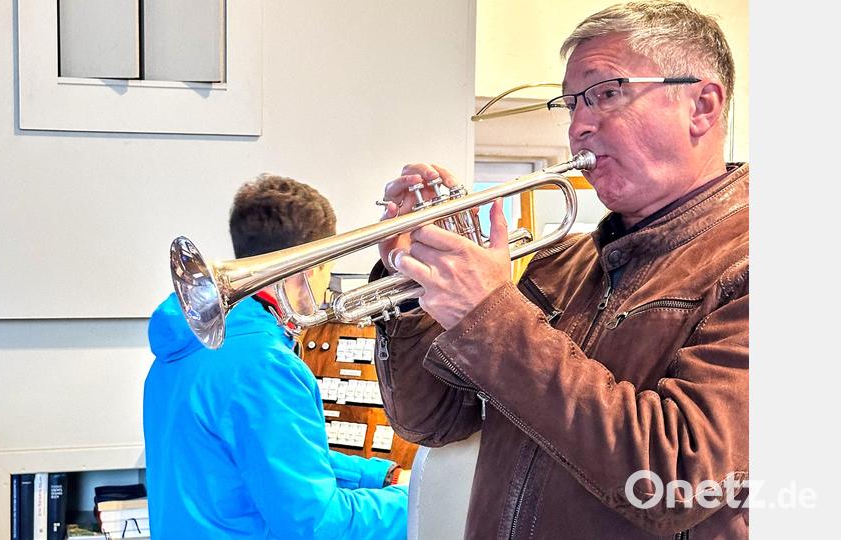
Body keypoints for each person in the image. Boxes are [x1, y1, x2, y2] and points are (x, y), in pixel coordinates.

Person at [372, 2, 747, 539]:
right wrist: (414, 284)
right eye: (571, 103)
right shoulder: (561, 264)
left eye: (608, 92)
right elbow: (435, 420)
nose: (578, 126)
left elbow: (679, 479)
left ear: (702, 106)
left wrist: (491, 317)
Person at [143, 174, 409, 539]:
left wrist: (377, 476)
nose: (325, 285)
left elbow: (262, 460)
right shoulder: (264, 366)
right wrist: (415, 497)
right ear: (309, 266)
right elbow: (319, 527)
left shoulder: (186, 344)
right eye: (326, 269)